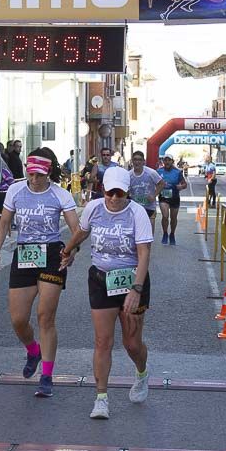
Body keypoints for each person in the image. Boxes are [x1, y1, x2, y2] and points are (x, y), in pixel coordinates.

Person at [60, 167, 153, 421]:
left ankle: (142, 372)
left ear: (127, 192)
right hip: (101, 279)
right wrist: (68, 250)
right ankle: (101, 398)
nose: (113, 198)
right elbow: (82, 231)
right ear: (103, 190)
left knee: (132, 344)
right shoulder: (94, 207)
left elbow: (144, 253)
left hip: (131, 279)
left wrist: (136, 288)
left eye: (119, 193)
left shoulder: (137, 214)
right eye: (110, 192)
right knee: (103, 341)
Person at [0, 151, 81, 398]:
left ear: (48, 173)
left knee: (45, 317)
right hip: (25, 254)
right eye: (30, 173)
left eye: (39, 175)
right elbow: (4, 223)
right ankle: (33, 350)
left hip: (52, 254)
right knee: (18, 319)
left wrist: (71, 251)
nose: (34, 179)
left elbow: (76, 228)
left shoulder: (60, 194)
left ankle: (47, 376)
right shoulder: (16, 191)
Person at [156, 155, 187, 244]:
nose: (167, 162)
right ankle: (165, 233)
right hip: (163, 197)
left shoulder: (177, 172)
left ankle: (172, 234)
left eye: (169, 160)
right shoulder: (158, 171)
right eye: (165, 160)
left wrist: (180, 186)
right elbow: (154, 182)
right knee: (165, 216)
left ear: (172, 161)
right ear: (163, 162)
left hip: (175, 197)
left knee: (173, 218)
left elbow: (185, 184)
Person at [127, 150, 164, 223]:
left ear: (144, 161)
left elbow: (161, 183)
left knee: (149, 232)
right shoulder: (128, 175)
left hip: (149, 206)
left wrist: (154, 195)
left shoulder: (151, 173)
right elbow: (125, 189)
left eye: (140, 160)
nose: (137, 162)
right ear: (132, 161)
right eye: (135, 159)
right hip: (135, 207)